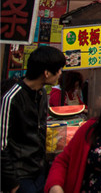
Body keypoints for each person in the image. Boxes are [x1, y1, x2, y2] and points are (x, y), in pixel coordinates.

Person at [1, 45, 65, 193]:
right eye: (59, 69)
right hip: (20, 176)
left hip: (39, 172)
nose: (60, 73)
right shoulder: (11, 98)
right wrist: (12, 184)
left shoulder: (42, 93)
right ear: (47, 73)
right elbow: (1, 145)